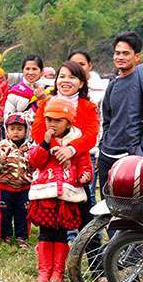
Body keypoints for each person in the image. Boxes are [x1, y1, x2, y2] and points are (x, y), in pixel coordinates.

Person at [28, 98, 92, 282]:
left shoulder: (76, 142)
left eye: (58, 120)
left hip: (66, 196)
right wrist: (45, 145)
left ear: (68, 122)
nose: (52, 124)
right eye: (49, 119)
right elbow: (35, 162)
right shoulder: (41, 140)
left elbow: (84, 164)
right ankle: (44, 271)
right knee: (45, 233)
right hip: (45, 194)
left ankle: (57, 272)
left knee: (62, 234)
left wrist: (84, 176)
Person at [32, 61, 99, 229]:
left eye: (72, 77)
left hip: (79, 164)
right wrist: (56, 148)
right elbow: (39, 130)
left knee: (85, 214)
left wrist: (71, 149)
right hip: (50, 165)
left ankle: (92, 251)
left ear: (81, 83)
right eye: (61, 76)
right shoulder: (47, 103)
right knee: (53, 219)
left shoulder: (88, 106)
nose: (66, 81)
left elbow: (91, 134)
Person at [98, 31, 143, 194]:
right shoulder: (113, 85)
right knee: (107, 207)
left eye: (126, 53)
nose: (120, 57)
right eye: (117, 53)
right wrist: (104, 144)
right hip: (107, 154)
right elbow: (107, 119)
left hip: (133, 158)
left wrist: (137, 152)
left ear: (137, 57)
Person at [0, 113, 32, 249]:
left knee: (23, 213)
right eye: (12, 129)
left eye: (20, 129)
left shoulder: (29, 147)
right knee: (4, 213)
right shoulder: (3, 146)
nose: (16, 132)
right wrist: (0, 161)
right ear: (7, 130)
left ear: (26, 131)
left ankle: (21, 237)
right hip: (5, 187)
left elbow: (35, 164)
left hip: (24, 187)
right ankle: (4, 236)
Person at [67, 49, 109, 192]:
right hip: (64, 150)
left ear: (90, 66)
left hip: (90, 150)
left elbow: (103, 122)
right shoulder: (64, 89)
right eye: (74, 64)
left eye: (82, 64)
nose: (78, 68)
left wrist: (99, 150)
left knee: (87, 192)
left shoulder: (102, 90)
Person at [4, 54, 47, 124]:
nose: (30, 72)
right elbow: (7, 118)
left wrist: (44, 99)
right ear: (23, 71)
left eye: (34, 69)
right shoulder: (15, 92)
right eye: (27, 69)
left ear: (41, 72)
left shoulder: (49, 90)